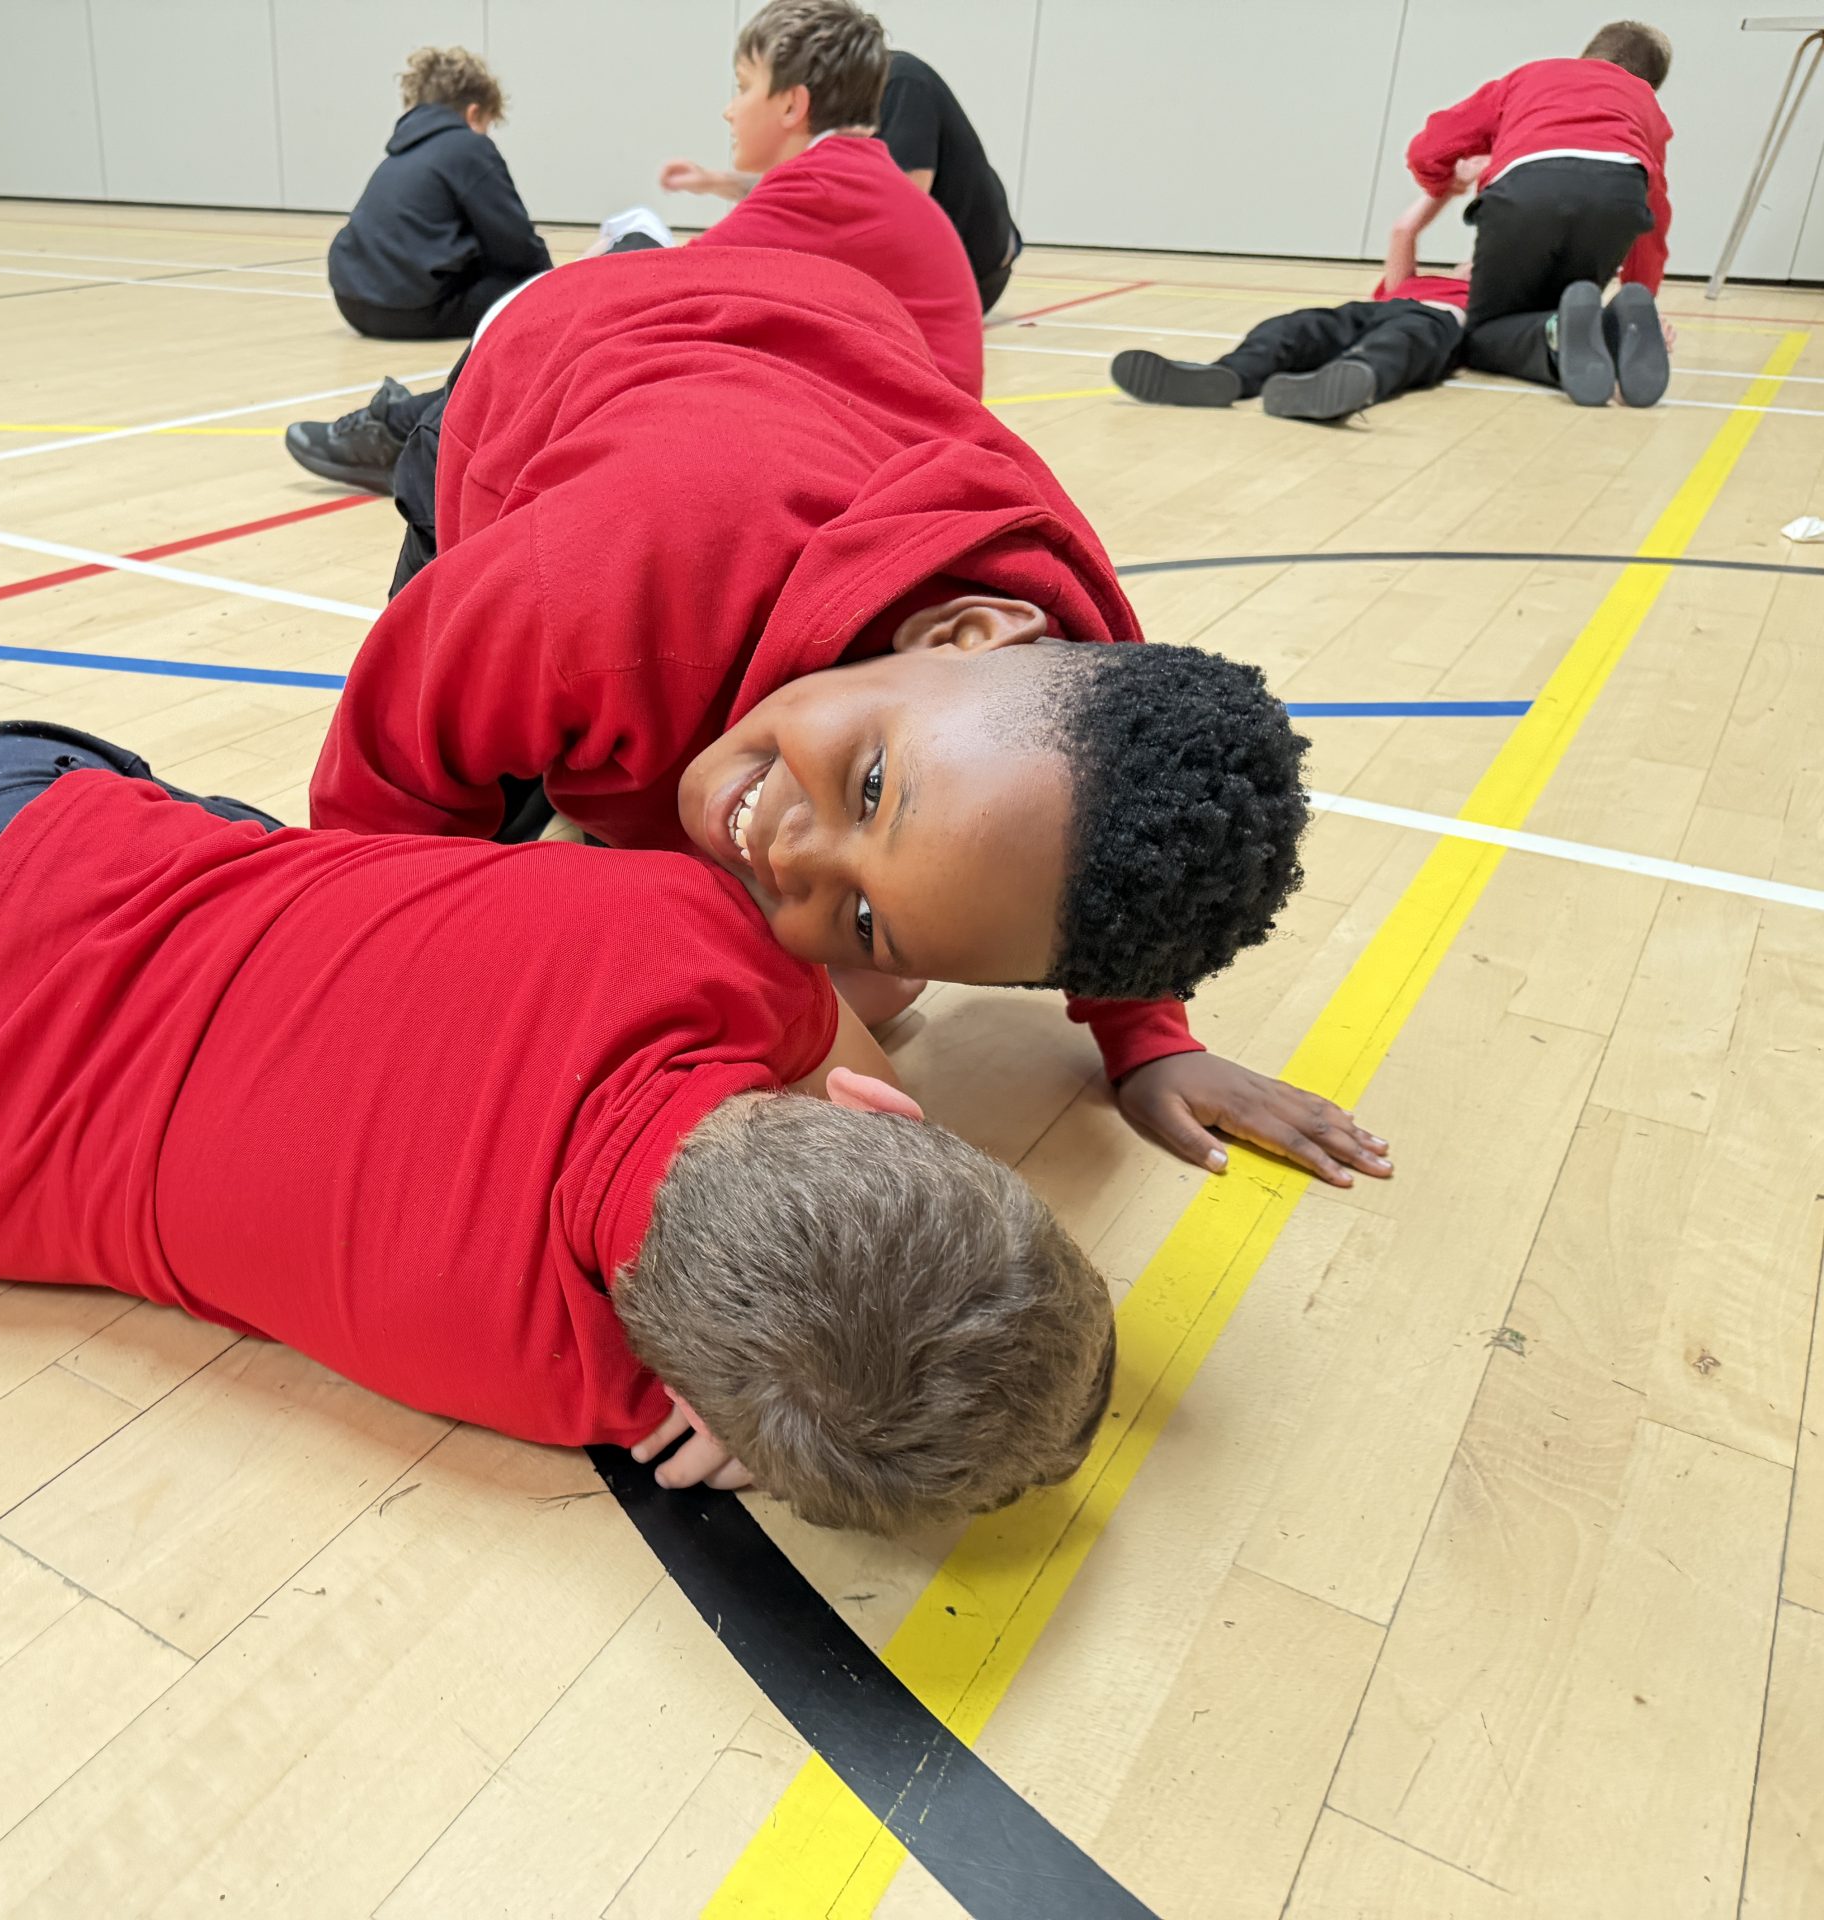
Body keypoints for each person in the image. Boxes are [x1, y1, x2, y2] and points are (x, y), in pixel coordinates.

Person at [0, 733, 1118, 1533]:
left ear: (875, 1106)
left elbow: (832, 1012)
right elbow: (689, 1374)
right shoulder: (558, 1373)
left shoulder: (726, 950)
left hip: (3, 810)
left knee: (276, 865)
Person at [306, 245, 1390, 1188]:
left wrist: (1148, 1038)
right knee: (467, 912)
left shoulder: (1061, 676)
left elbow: (1082, 863)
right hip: (554, 355)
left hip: (817, 350)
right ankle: (406, 421)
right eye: (871, 789)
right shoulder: (586, 588)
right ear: (965, 633)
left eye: (863, 906)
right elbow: (375, 805)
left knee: (869, 981)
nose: (791, 849)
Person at [287, 0, 988, 494]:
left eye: (742, 88)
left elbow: (658, 286)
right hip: (899, 430)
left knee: (584, 308)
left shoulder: (822, 189)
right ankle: (421, 432)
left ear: (792, 105)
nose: (728, 107)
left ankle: (421, 439)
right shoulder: (851, 177)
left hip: (891, 450)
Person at [665, 45, 1017, 311]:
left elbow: (901, 205)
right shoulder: (836, 119)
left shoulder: (902, 82)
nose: (730, 109)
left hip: (977, 276)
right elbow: (811, 199)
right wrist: (715, 181)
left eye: (744, 87)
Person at [1404, 20, 1672, 345]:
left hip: (1527, 188)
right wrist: (1639, 294)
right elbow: (1653, 208)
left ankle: (1553, 342)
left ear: (1585, 55)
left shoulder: (1531, 75)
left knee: (1484, 331)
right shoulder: (1644, 102)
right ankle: (1611, 334)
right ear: (1651, 83)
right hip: (1616, 199)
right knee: (1560, 312)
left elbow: (1428, 149)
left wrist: (1442, 182)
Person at [1109, 197, 1472, 422]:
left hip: (1436, 320)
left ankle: (1345, 381)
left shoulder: (1484, 295)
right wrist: (1442, 187)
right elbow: (1402, 232)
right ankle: (1227, 376)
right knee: (1293, 327)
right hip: (1370, 311)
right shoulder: (1410, 281)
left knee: (1400, 341)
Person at [325, 46, 552, 343]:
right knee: (530, 287)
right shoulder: (469, 146)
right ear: (473, 113)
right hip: (417, 310)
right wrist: (551, 284)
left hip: (353, 305)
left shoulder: (399, 153)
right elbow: (516, 245)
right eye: (487, 124)